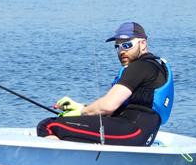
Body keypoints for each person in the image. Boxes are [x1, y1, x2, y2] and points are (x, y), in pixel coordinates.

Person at [37, 22, 173, 146]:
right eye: (117, 46)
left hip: (131, 132)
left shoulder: (139, 67)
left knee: (48, 126)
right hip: (140, 134)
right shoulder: (152, 67)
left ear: (142, 44)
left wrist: (80, 112)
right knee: (69, 129)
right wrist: (81, 107)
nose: (121, 51)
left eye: (127, 45)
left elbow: (108, 106)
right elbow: (111, 109)